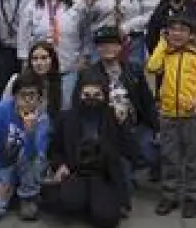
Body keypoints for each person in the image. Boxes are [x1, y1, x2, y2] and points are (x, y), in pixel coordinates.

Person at [146, 12, 196, 218]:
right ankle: (170, 195)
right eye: (173, 30)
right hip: (168, 115)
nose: (177, 34)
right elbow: (152, 67)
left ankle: (192, 198)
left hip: (193, 116)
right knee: (169, 157)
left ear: (191, 35)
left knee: (195, 159)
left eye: (183, 30)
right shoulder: (164, 54)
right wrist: (161, 43)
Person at [46, 71, 136, 228]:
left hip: (103, 175)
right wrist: (59, 165)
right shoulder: (66, 117)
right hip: (75, 171)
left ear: (104, 95)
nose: (91, 99)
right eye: (86, 94)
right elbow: (54, 149)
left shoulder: (113, 116)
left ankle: (95, 202)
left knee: (107, 219)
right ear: (79, 94)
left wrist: (123, 124)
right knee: (68, 203)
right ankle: (85, 201)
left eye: (97, 94)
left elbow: (131, 151)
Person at [81, 26, 160, 195]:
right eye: (102, 45)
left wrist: (157, 128)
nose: (108, 48)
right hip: (106, 129)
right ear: (97, 48)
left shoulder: (134, 70)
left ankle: (134, 164)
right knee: (123, 186)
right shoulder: (88, 74)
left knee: (153, 151)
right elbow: (82, 110)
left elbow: (147, 102)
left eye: (112, 44)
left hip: (134, 125)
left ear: (120, 47)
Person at [0, 72, 51, 221]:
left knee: (37, 160)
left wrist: (30, 133)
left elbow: (36, 156)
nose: (28, 100)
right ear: (14, 96)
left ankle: (28, 196)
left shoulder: (42, 118)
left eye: (33, 95)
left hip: (28, 166)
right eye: (23, 95)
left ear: (40, 98)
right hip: (4, 164)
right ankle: (11, 189)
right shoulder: (1, 111)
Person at [17, 0, 91, 109]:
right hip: (40, 69)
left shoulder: (77, 5)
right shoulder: (32, 6)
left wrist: (84, 57)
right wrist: (25, 62)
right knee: (41, 107)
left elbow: (86, 34)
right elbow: (23, 37)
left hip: (68, 66)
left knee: (66, 107)